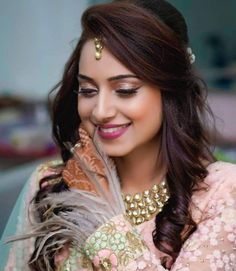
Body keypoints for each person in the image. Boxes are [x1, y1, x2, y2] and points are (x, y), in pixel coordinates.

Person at [1, 0, 236, 270]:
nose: (100, 112)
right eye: (88, 91)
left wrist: (102, 222)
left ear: (171, 92)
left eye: (124, 90)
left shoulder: (220, 193)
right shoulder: (50, 184)